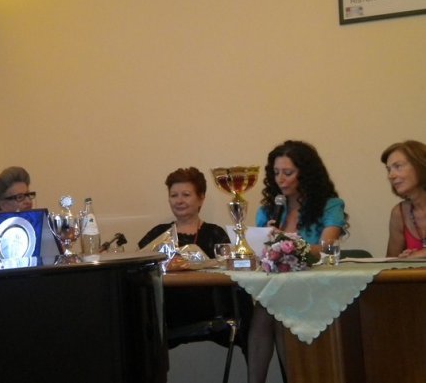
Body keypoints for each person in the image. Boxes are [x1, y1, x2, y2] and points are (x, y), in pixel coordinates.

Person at [248, 140, 348, 383]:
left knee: (273, 307)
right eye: (276, 173)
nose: (280, 180)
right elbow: (259, 256)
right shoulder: (268, 212)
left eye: (288, 173)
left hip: (317, 287)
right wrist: (264, 241)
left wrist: (287, 243)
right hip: (280, 290)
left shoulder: (330, 206)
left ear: (306, 174)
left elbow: (325, 249)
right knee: (267, 308)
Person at [138, 167, 252, 355]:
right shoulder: (157, 234)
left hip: (210, 311)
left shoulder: (215, 233)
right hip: (167, 314)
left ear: (201, 198)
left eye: (186, 195)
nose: (179, 201)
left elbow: (228, 270)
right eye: (174, 195)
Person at [0, 166, 36, 259]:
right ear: (3, 205)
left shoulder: (42, 232)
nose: (28, 201)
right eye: (20, 197)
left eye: (28, 195)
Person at [381, 140, 426, 259]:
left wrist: (420, 254)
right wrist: (402, 260)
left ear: (420, 166)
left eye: (398, 166)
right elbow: (390, 262)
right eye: (389, 169)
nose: (391, 175)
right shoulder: (399, 213)